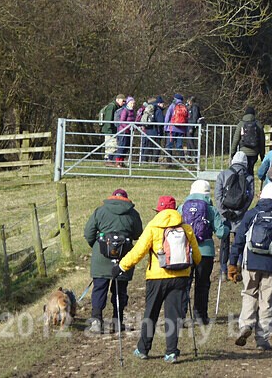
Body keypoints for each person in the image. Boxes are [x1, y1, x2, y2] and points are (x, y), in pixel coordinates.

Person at [113, 197, 202, 363]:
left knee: (151, 313)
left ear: (159, 211)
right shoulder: (186, 228)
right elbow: (196, 256)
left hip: (156, 277)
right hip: (180, 276)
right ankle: (171, 352)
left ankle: (143, 349)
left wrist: (121, 267)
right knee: (173, 316)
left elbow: (138, 251)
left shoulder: (153, 227)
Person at [227, 182, 272, 351]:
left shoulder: (251, 214)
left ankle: (246, 325)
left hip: (250, 263)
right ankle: (262, 339)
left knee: (249, 293)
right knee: (267, 301)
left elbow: (239, 240)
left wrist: (232, 262)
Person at [83, 189, 143, 334]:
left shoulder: (100, 211)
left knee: (99, 288)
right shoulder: (132, 213)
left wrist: (97, 247)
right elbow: (138, 234)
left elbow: (88, 232)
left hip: (101, 256)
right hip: (123, 257)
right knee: (120, 289)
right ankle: (117, 321)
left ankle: (96, 321)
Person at [177, 179, 228, 324]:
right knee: (203, 284)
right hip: (205, 252)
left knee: (184, 284)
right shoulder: (211, 209)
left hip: (186, 250)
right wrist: (227, 228)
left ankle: (180, 316)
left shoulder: (182, 207)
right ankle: (200, 316)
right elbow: (220, 233)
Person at [215, 151, 255, 279]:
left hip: (225, 216)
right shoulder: (249, 178)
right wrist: (239, 212)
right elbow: (249, 198)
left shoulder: (223, 174)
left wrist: (224, 212)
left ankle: (223, 270)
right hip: (240, 216)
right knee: (240, 242)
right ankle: (240, 269)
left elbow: (218, 196)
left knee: (224, 243)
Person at [230, 107, 265, 175]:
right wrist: (262, 155)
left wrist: (233, 152)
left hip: (243, 152)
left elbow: (236, 139)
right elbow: (262, 141)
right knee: (250, 170)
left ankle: (243, 180)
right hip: (254, 153)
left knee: (243, 170)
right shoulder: (258, 124)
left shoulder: (241, 124)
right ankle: (251, 180)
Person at [101, 94, 125, 166]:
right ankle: (108, 160)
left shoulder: (117, 107)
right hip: (110, 130)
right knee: (111, 145)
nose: (124, 102)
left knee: (113, 145)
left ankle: (111, 160)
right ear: (117, 100)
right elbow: (108, 119)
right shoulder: (112, 106)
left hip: (113, 130)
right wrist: (110, 129)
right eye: (123, 100)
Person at [163, 93, 188, 164]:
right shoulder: (184, 107)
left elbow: (167, 116)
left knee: (169, 145)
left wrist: (165, 127)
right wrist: (185, 130)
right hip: (181, 129)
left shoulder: (172, 105)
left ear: (175, 98)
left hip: (172, 129)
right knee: (179, 145)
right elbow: (186, 119)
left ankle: (168, 161)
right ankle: (182, 160)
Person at [116, 97, 137, 167]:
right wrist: (128, 127)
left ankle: (122, 161)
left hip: (129, 132)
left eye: (133, 103)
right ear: (128, 103)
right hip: (123, 131)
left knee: (126, 147)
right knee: (122, 146)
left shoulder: (132, 111)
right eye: (131, 103)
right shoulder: (125, 111)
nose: (133, 105)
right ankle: (118, 162)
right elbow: (122, 121)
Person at [138, 97, 158, 163]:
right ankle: (151, 160)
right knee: (153, 145)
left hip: (145, 128)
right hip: (152, 129)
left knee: (147, 145)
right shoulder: (154, 109)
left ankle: (144, 160)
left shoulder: (144, 109)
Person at [184, 96, 203, 162]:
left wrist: (192, 127)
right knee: (189, 140)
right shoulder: (191, 107)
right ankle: (189, 155)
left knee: (190, 140)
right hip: (189, 125)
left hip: (191, 125)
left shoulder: (195, 107)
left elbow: (195, 117)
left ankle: (195, 154)